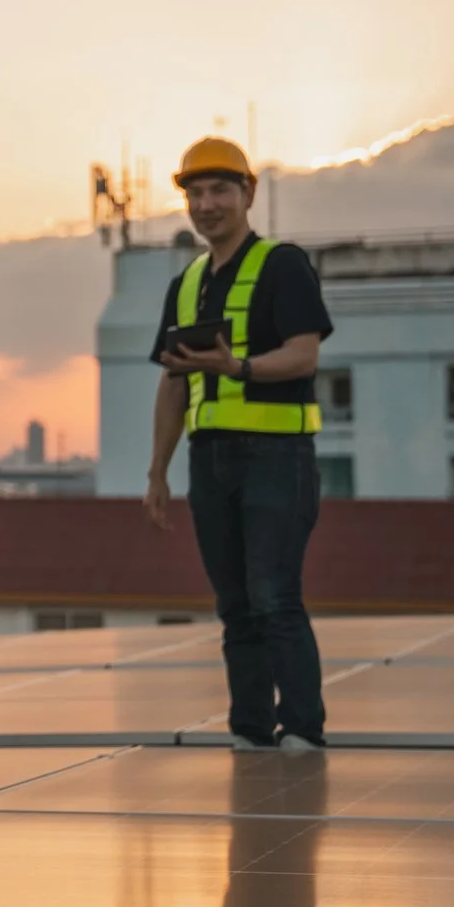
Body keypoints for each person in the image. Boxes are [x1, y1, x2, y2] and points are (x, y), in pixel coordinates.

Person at [142, 138, 333, 750]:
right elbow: (173, 383)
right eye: (195, 193)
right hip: (211, 460)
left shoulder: (284, 265)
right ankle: (251, 730)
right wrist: (156, 473)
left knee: (274, 596)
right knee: (236, 606)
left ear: (248, 193)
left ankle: (302, 728)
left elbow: (305, 354)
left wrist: (236, 369)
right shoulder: (188, 282)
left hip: (279, 457)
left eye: (219, 190)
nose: (206, 204)